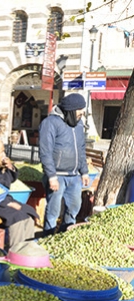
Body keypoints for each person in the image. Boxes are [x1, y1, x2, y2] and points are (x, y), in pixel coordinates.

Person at [39, 93, 90, 234]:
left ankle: (65, 235)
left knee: (74, 208)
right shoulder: (50, 123)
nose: (82, 113)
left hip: (73, 176)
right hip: (57, 176)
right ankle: (47, 238)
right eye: (80, 110)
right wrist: (51, 175)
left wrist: (84, 171)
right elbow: (45, 151)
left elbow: (81, 149)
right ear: (71, 110)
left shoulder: (78, 124)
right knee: (53, 211)